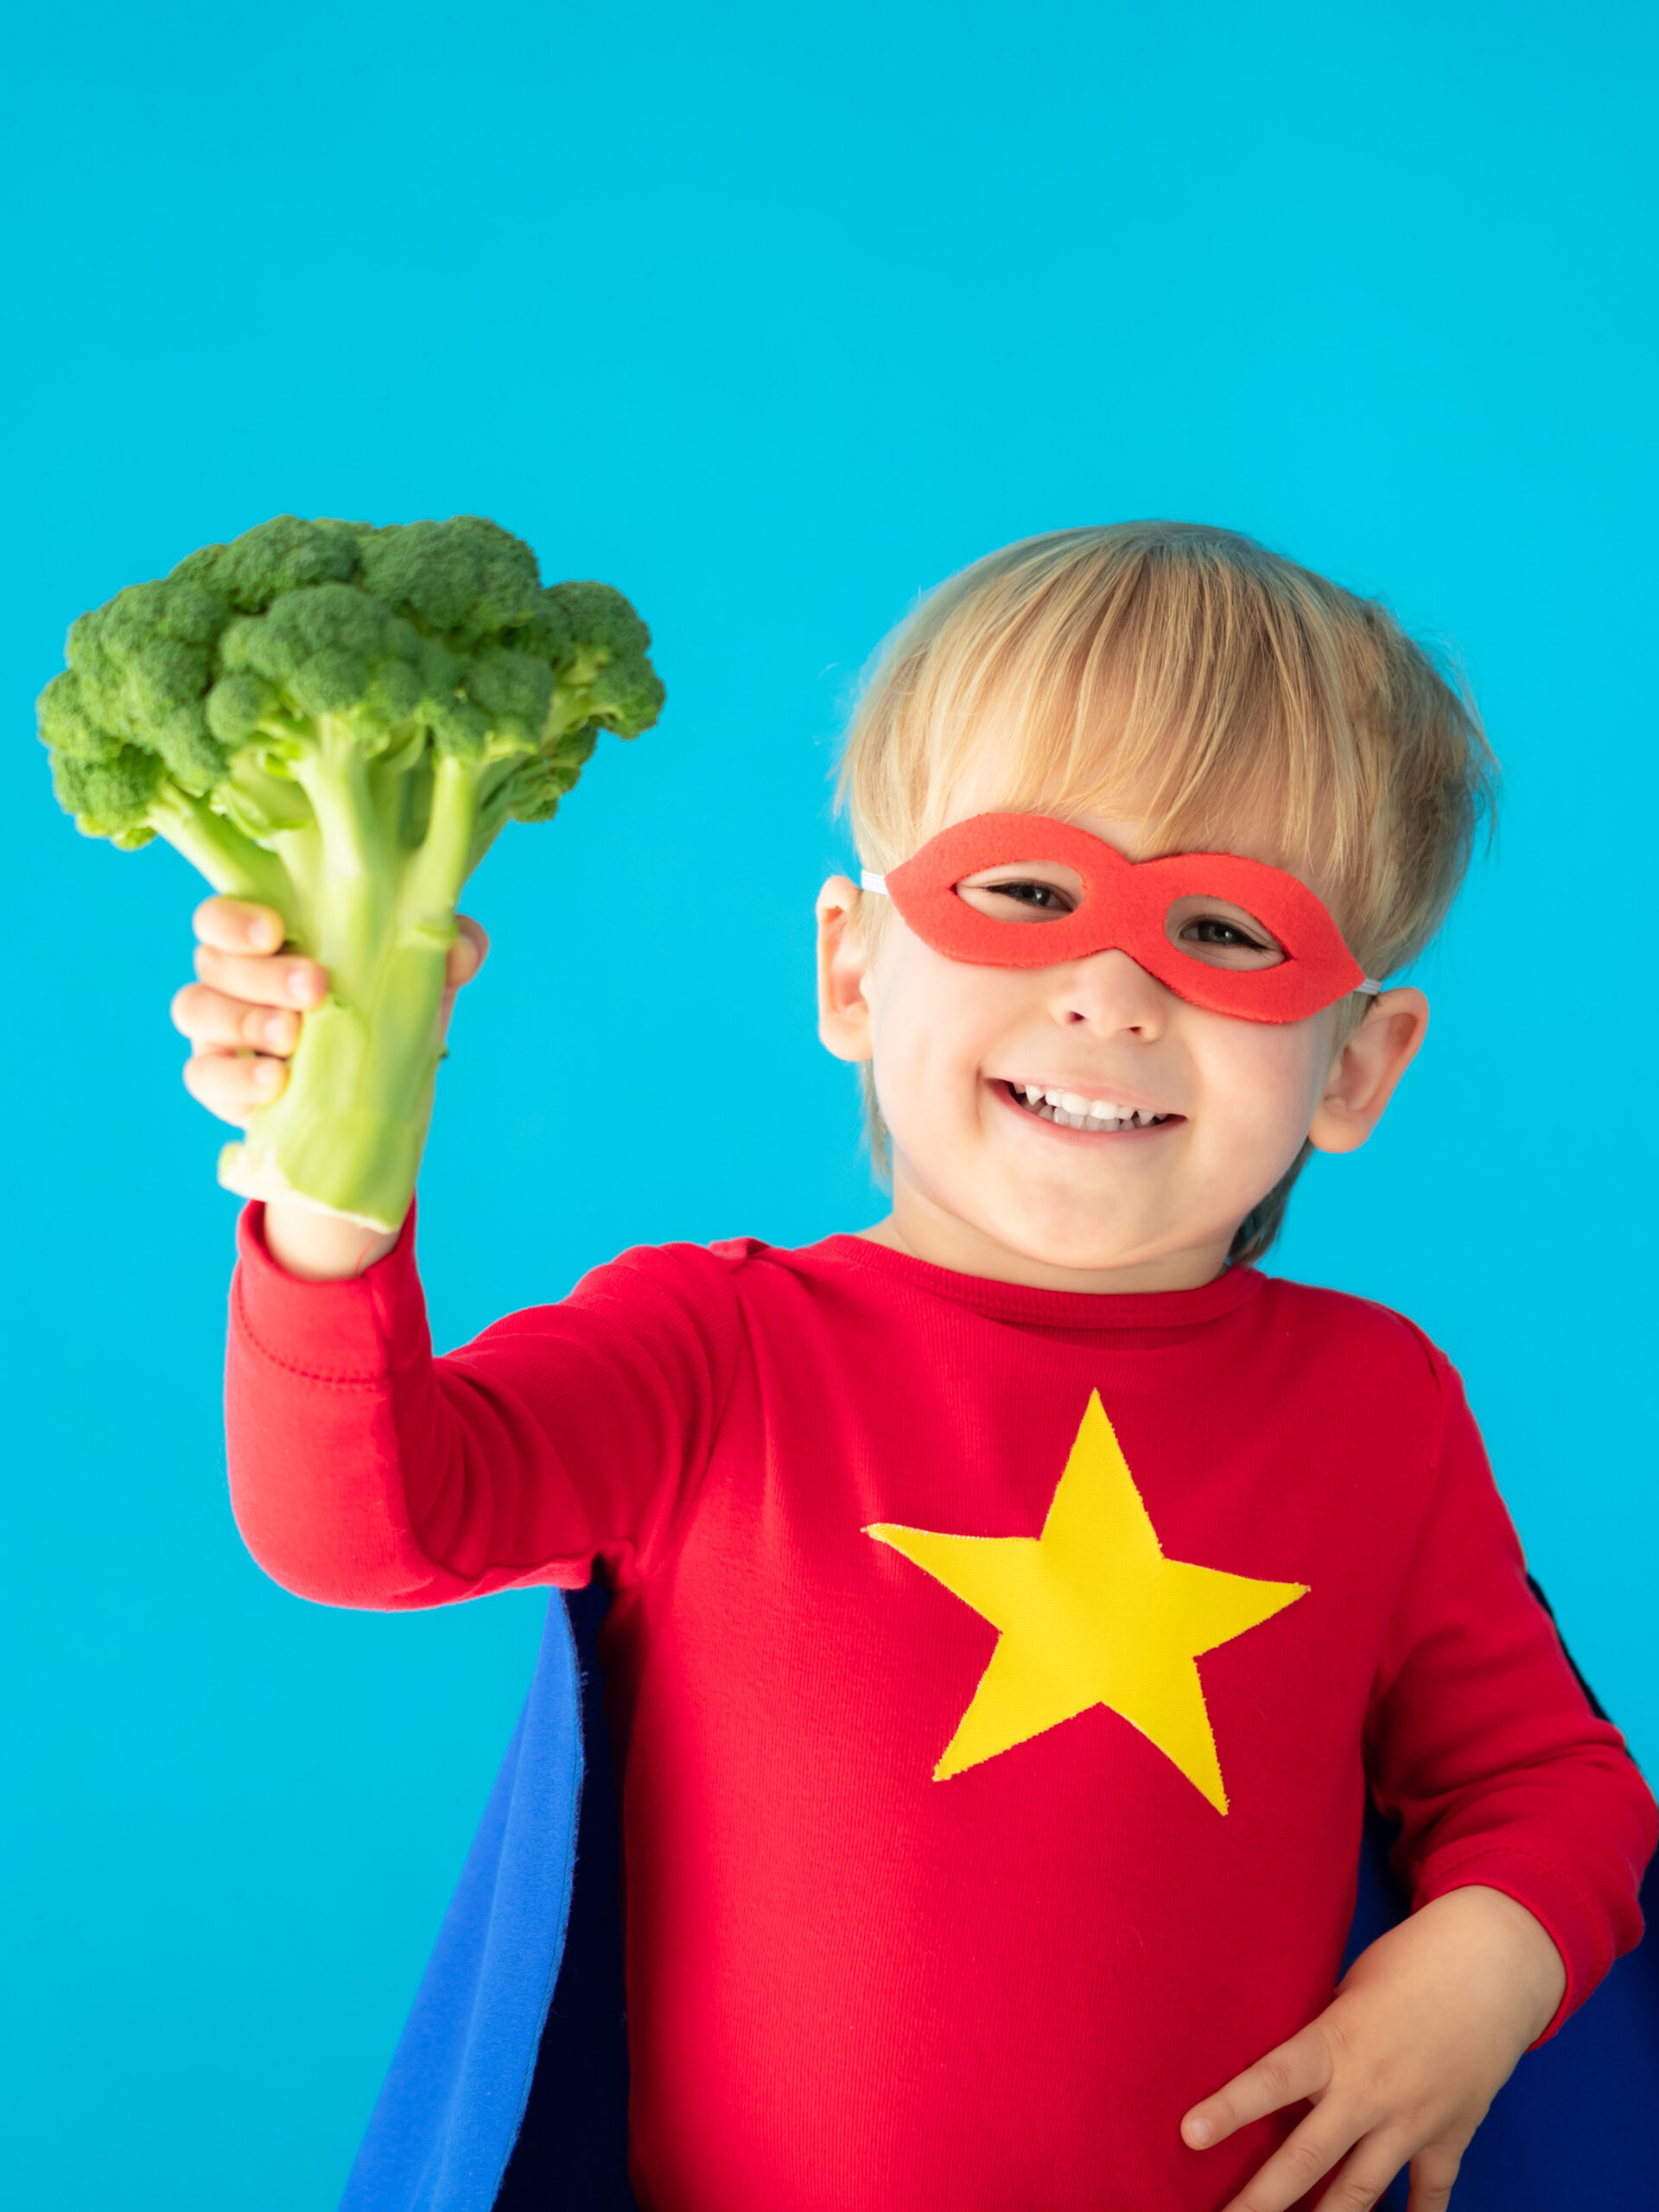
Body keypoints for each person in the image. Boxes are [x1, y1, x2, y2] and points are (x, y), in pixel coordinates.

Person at [178, 524, 1655, 2212]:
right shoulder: (715, 1350)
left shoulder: (1374, 1406)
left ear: (1358, 1063)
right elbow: (365, 1524)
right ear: (854, 967)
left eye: (1230, 930)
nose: (1109, 989)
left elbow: (1549, 1778)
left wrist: (1486, 1966)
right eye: (1024, 892)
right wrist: (329, 1198)